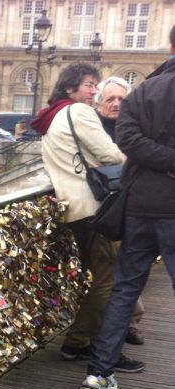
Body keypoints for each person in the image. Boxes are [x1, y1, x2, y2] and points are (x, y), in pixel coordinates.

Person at [80, 26, 175, 389]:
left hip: (137, 205)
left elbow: (128, 141)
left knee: (123, 291)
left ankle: (98, 374)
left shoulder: (143, 90)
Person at [29, 64, 139, 373]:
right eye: (89, 85)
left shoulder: (53, 116)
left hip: (74, 208)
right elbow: (111, 155)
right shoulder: (79, 113)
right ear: (70, 88)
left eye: (95, 85)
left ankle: (80, 342)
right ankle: (91, 345)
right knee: (110, 281)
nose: (94, 91)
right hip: (96, 207)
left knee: (103, 278)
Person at [94, 77, 146, 347]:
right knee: (116, 268)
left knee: (129, 265)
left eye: (121, 100)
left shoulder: (135, 125)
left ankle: (130, 322)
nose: (116, 104)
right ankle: (121, 324)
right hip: (106, 207)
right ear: (99, 102)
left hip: (135, 204)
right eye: (110, 99)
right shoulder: (95, 127)